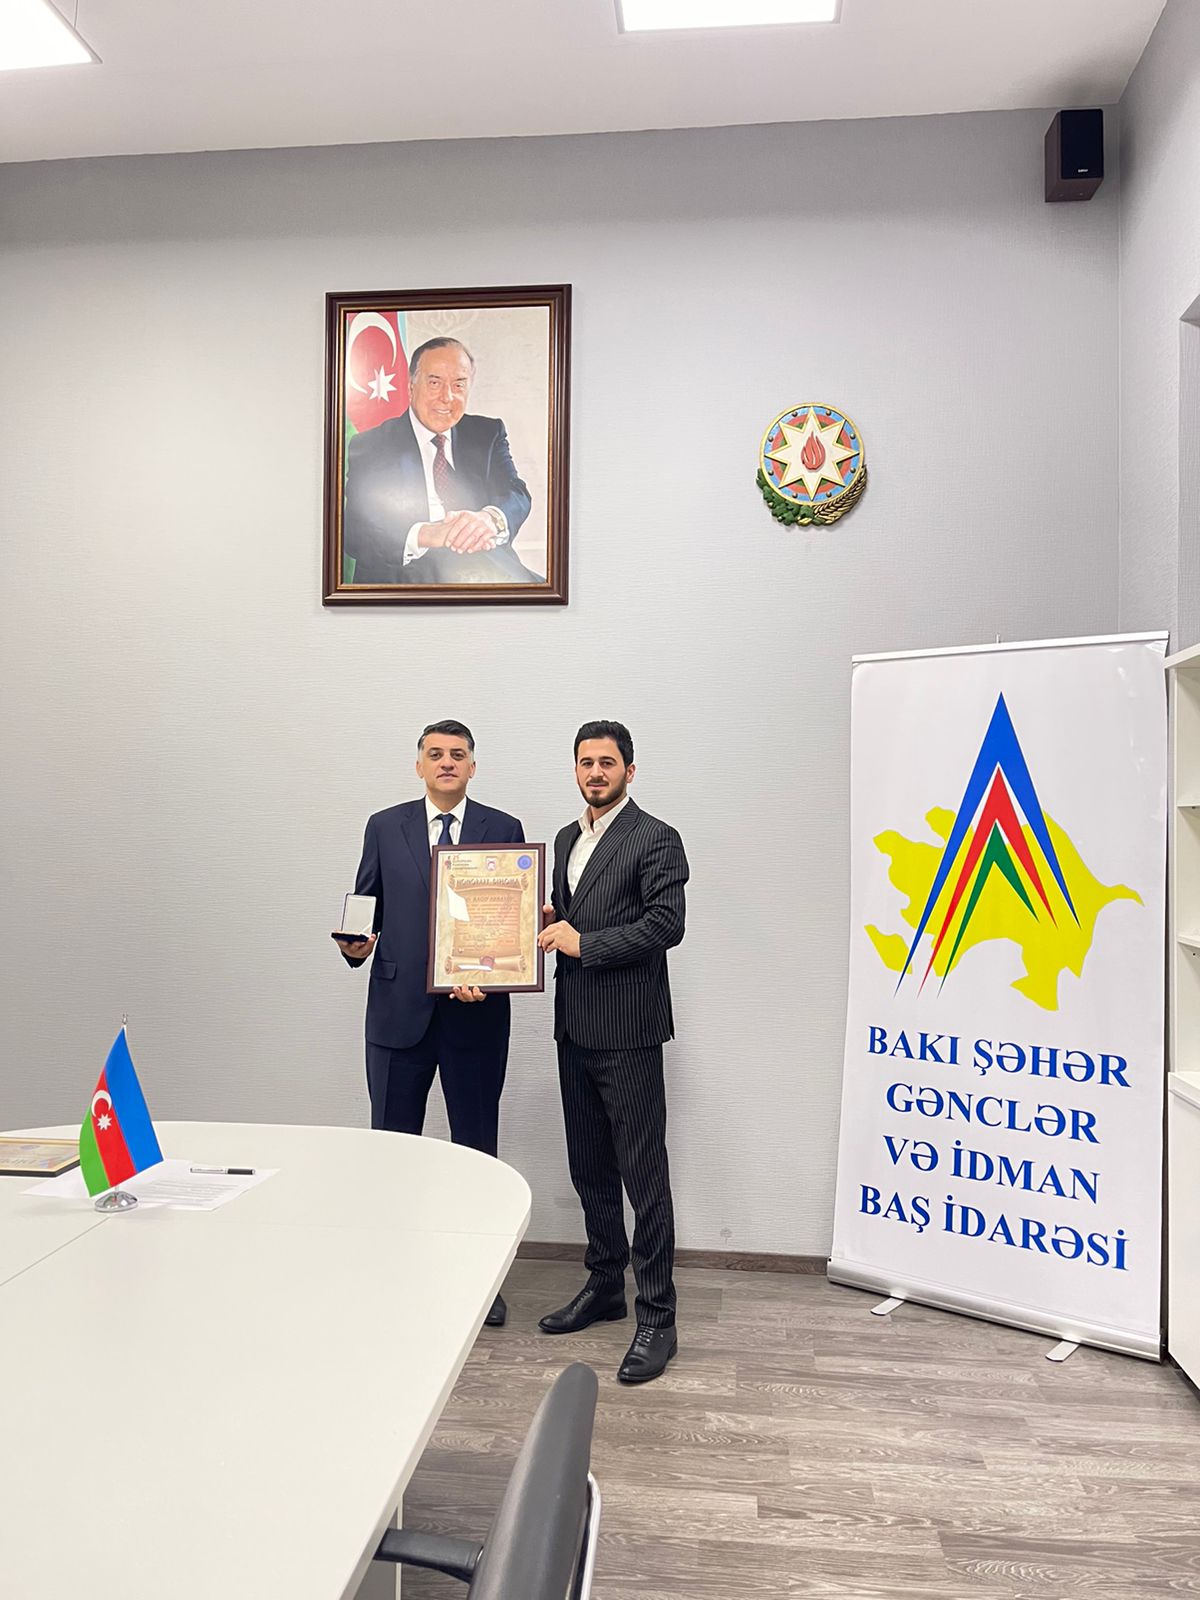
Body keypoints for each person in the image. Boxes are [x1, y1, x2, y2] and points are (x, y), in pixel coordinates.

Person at [338, 719, 523, 1326]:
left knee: (476, 1151)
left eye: (458, 754)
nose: (447, 763)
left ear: (473, 767)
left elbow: (507, 922)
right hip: (398, 1014)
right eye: (435, 754)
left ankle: (480, 1280)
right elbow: (366, 904)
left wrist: (495, 973)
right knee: (393, 1150)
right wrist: (354, 944)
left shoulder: (504, 829)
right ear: (419, 765)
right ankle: (391, 1269)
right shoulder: (383, 825)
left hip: (476, 1013)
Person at [537, 721, 689, 1383]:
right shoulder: (566, 839)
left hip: (628, 1031)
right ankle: (605, 1286)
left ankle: (658, 1317)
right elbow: (573, 915)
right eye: (585, 762)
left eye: (607, 762)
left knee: (642, 1175)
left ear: (629, 769)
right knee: (589, 1167)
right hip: (574, 1027)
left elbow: (666, 925)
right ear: (575, 770)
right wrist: (549, 923)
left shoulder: (655, 837)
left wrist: (584, 944)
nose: (595, 772)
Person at [343, 336, 543, 585]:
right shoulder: (373, 444)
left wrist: (489, 519)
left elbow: (517, 493)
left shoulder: (487, 433)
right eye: (434, 383)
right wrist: (428, 534)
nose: (447, 397)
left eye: (459, 385)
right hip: (405, 574)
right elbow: (355, 531)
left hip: (484, 568)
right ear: (411, 386)